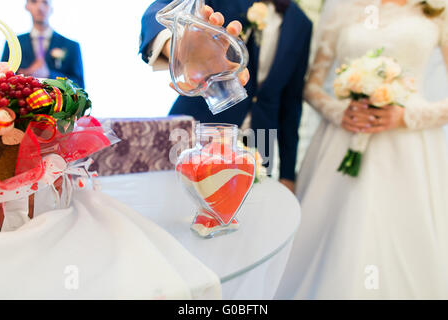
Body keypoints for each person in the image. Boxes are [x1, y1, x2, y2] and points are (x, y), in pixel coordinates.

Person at [276, 0, 448, 299]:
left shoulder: (438, 8)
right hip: (342, 138)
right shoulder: (341, 6)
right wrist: (339, 111)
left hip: (413, 151)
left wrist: (405, 116)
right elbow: (312, 85)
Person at [139, 0, 312, 192]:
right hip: (197, 130)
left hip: (261, 143)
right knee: (174, 202)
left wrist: (288, 174)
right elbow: (158, 11)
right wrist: (177, 45)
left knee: (250, 216)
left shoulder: (301, 24)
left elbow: (291, 102)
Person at [1, 0, 84, 88]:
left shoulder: (71, 46)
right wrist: (22, 76)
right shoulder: (12, 43)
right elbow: (2, 78)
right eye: (34, 1)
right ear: (27, 6)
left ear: (52, 7)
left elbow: (80, 85)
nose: (40, 7)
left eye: (45, 2)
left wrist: (49, 74)